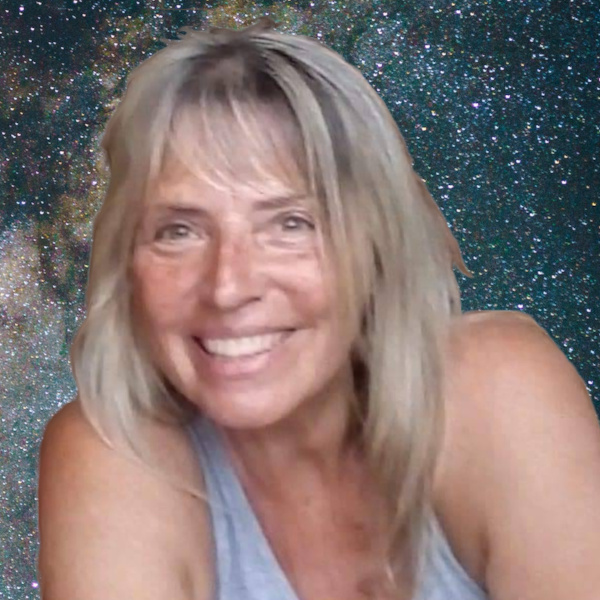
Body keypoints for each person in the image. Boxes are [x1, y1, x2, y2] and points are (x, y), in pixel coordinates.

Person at [37, 16, 600, 600]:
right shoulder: (111, 451)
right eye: (179, 231)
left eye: (290, 224)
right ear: (126, 264)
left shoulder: (499, 386)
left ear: (377, 247)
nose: (227, 286)